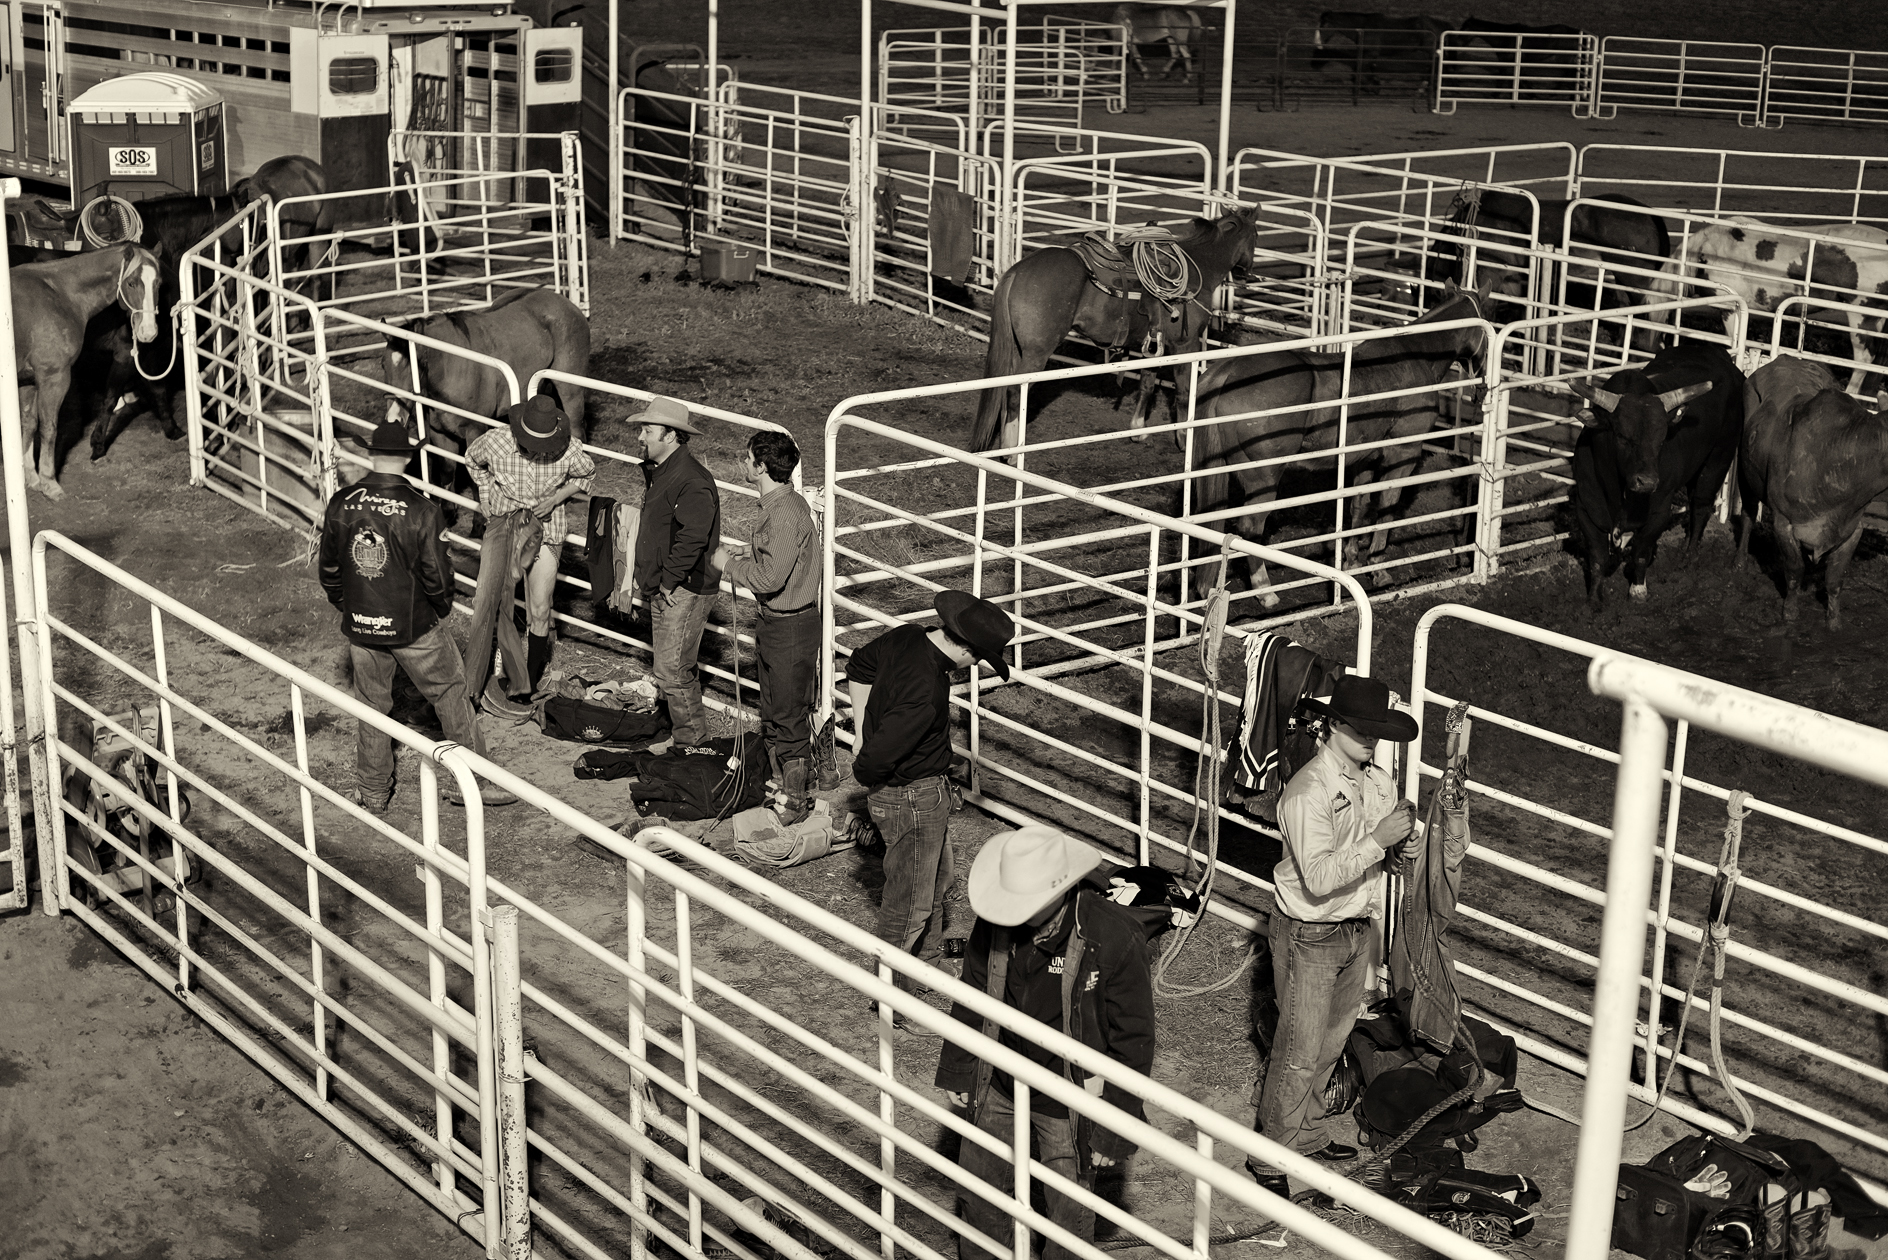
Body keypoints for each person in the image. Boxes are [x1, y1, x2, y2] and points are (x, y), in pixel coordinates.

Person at [936, 826, 1156, 1260]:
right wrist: (960, 1066)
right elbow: (974, 991)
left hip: (1068, 1094)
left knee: (1068, 1210)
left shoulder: (1113, 937)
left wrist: (1114, 1124)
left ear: (1059, 892)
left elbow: (1134, 1037)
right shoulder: (997, 920)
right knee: (980, 1192)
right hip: (998, 1077)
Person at [1247, 674, 1418, 1201]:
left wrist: (1400, 850)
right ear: (1335, 726)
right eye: (1364, 730)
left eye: (1377, 731)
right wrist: (1378, 841)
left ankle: (1310, 1132)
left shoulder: (1376, 783)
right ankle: (1270, 1152)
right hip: (1308, 934)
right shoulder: (1307, 792)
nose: (1372, 740)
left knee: (1329, 1043)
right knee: (1299, 1050)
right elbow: (1319, 877)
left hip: (1349, 929)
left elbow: (1374, 856)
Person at [318, 419, 517, 811]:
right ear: (408, 459)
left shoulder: (342, 503)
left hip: (362, 624)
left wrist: (351, 606)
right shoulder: (421, 510)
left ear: (372, 455)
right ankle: (473, 781)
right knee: (450, 693)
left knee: (372, 703)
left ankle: (373, 791)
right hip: (414, 626)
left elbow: (329, 570)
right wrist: (437, 610)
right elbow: (439, 577)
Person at [846, 589, 1012, 998]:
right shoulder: (927, 690)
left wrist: (863, 730)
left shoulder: (906, 636)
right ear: (968, 651)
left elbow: (860, 665)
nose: (974, 666)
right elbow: (872, 763)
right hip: (913, 799)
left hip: (917, 792)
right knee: (910, 906)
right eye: (979, 659)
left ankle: (928, 969)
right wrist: (869, 752)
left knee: (933, 886)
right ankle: (896, 1002)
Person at [710, 429, 820, 823]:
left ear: (760, 467)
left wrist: (730, 566)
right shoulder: (780, 504)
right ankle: (780, 787)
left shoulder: (785, 512)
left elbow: (771, 579)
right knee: (774, 709)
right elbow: (778, 556)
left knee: (788, 715)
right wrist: (750, 550)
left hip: (789, 626)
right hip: (779, 623)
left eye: (746, 458)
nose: (742, 463)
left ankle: (795, 800)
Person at [464, 395, 596, 709]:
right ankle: (472, 686)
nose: (536, 452)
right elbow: (471, 460)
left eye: (544, 446)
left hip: (546, 528)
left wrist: (558, 498)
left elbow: (587, 476)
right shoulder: (495, 442)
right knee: (487, 600)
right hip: (505, 523)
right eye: (529, 444)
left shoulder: (570, 451)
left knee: (540, 608)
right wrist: (486, 496)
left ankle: (528, 685)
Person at [633, 396, 722, 753]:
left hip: (682, 588)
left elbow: (694, 535)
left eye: (648, 430)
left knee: (672, 671)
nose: (640, 436)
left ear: (671, 436)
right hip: (670, 585)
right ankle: (687, 738)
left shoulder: (689, 479)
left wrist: (668, 579)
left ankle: (693, 744)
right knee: (673, 668)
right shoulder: (669, 472)